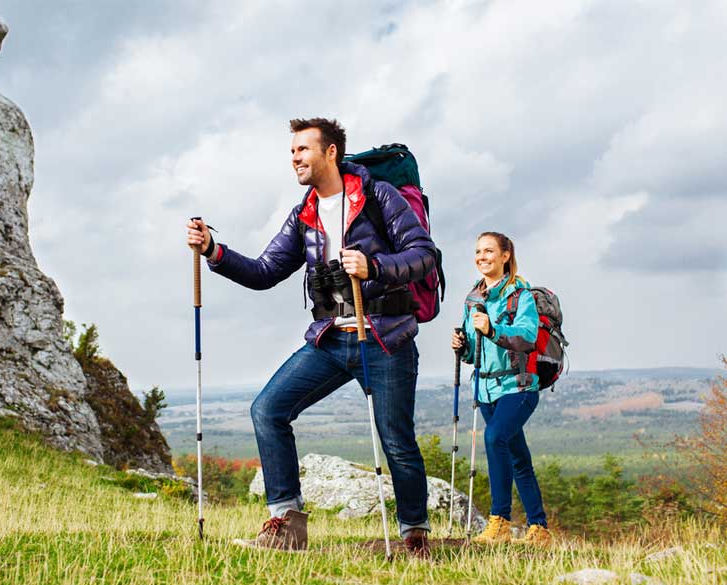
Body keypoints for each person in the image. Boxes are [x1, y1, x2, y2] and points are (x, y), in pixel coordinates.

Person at [186, 118, 437, 556]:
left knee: (396, 439)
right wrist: (214, 251)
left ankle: (414, 534)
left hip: (386, 338)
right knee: (268, 409)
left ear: (331, 153)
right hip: (330, 339)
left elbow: (423, 255)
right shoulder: (304, 213)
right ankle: (287, 525)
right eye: (292, 152)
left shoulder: (379, 196)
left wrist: (374, 267)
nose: (295, 158)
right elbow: (265, 272)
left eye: (303, 149)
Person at [451, 232, 552, 547]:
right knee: (518, 456)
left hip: (519, 387)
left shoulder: (520, 296)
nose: (482, 257)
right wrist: (463, 346)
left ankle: (500, 521)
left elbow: (526, 338)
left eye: (489, 251)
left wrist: (492, 328)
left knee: (495, 438)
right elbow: (473, 355)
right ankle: (539, 529)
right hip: (486, 390)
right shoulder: (473, 299)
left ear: (505, 256)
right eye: (478, 251)